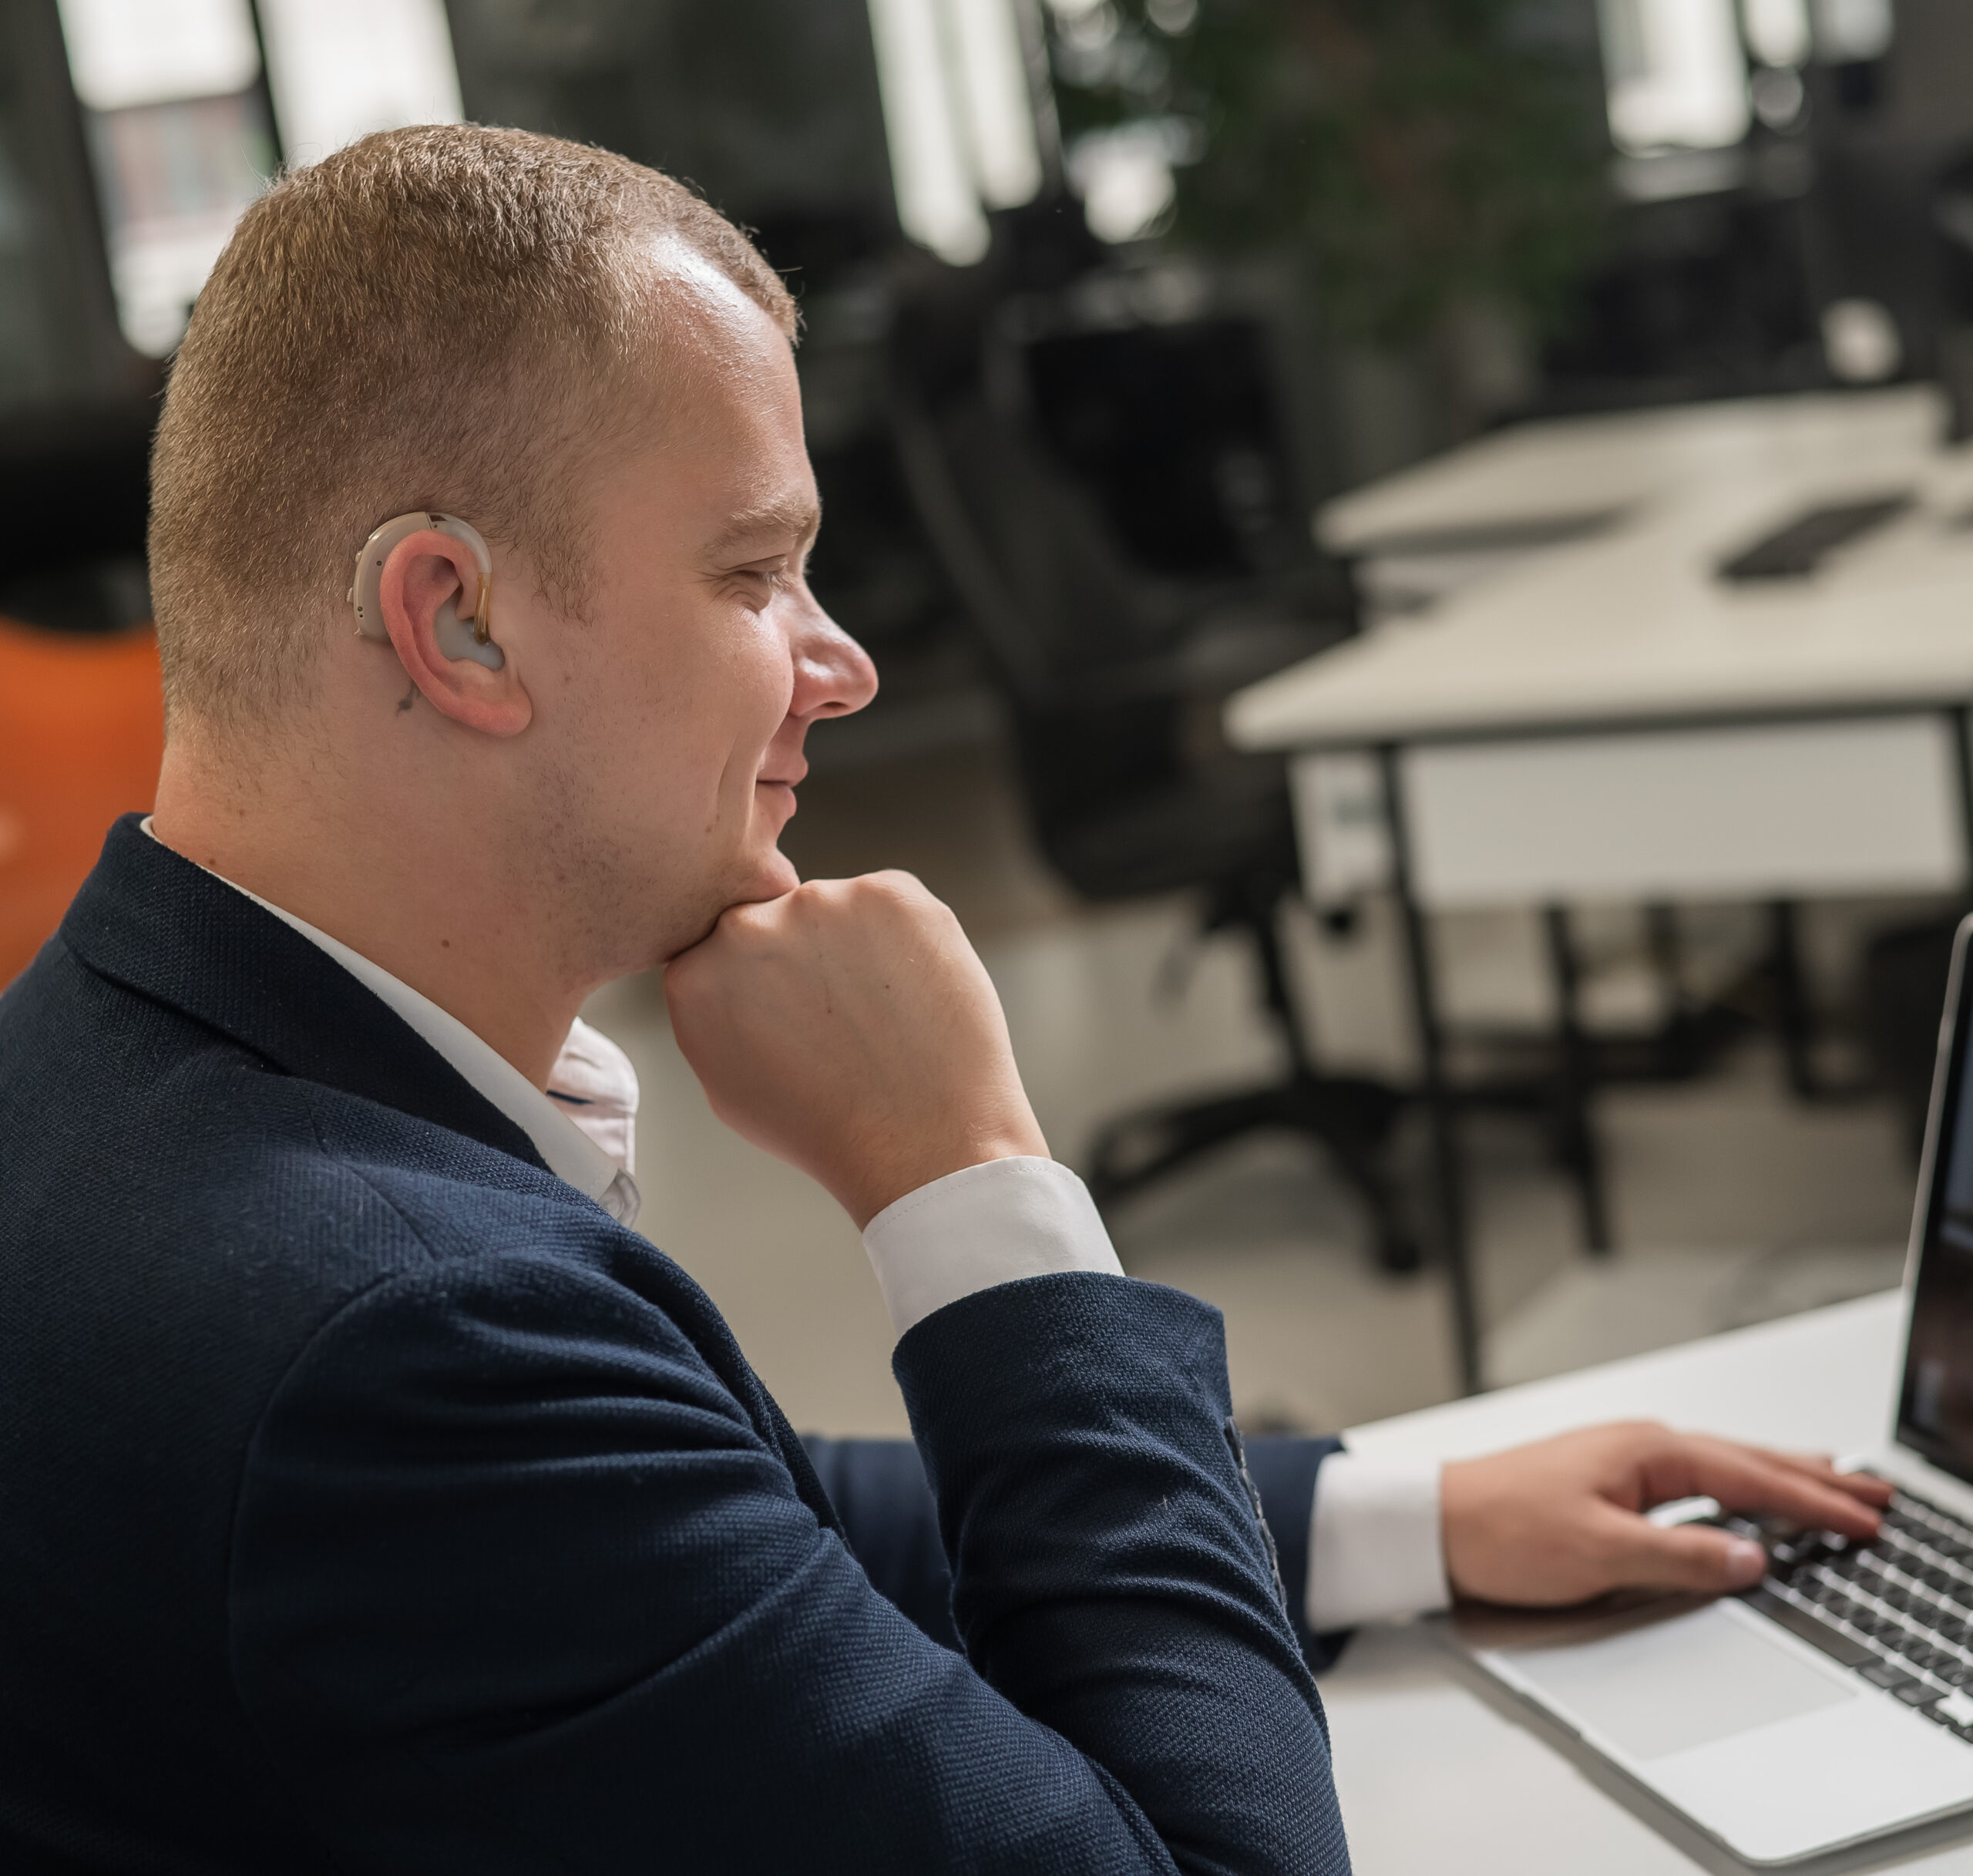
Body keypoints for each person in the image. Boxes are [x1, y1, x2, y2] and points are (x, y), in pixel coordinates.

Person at [0, 126, 1887, 1874]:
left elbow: (722, 1522)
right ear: (458, 622)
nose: (845, 664)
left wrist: (1393, 1514)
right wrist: (965, 1183)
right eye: (756, 571)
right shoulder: (392, 1341)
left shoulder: (104, 1070)